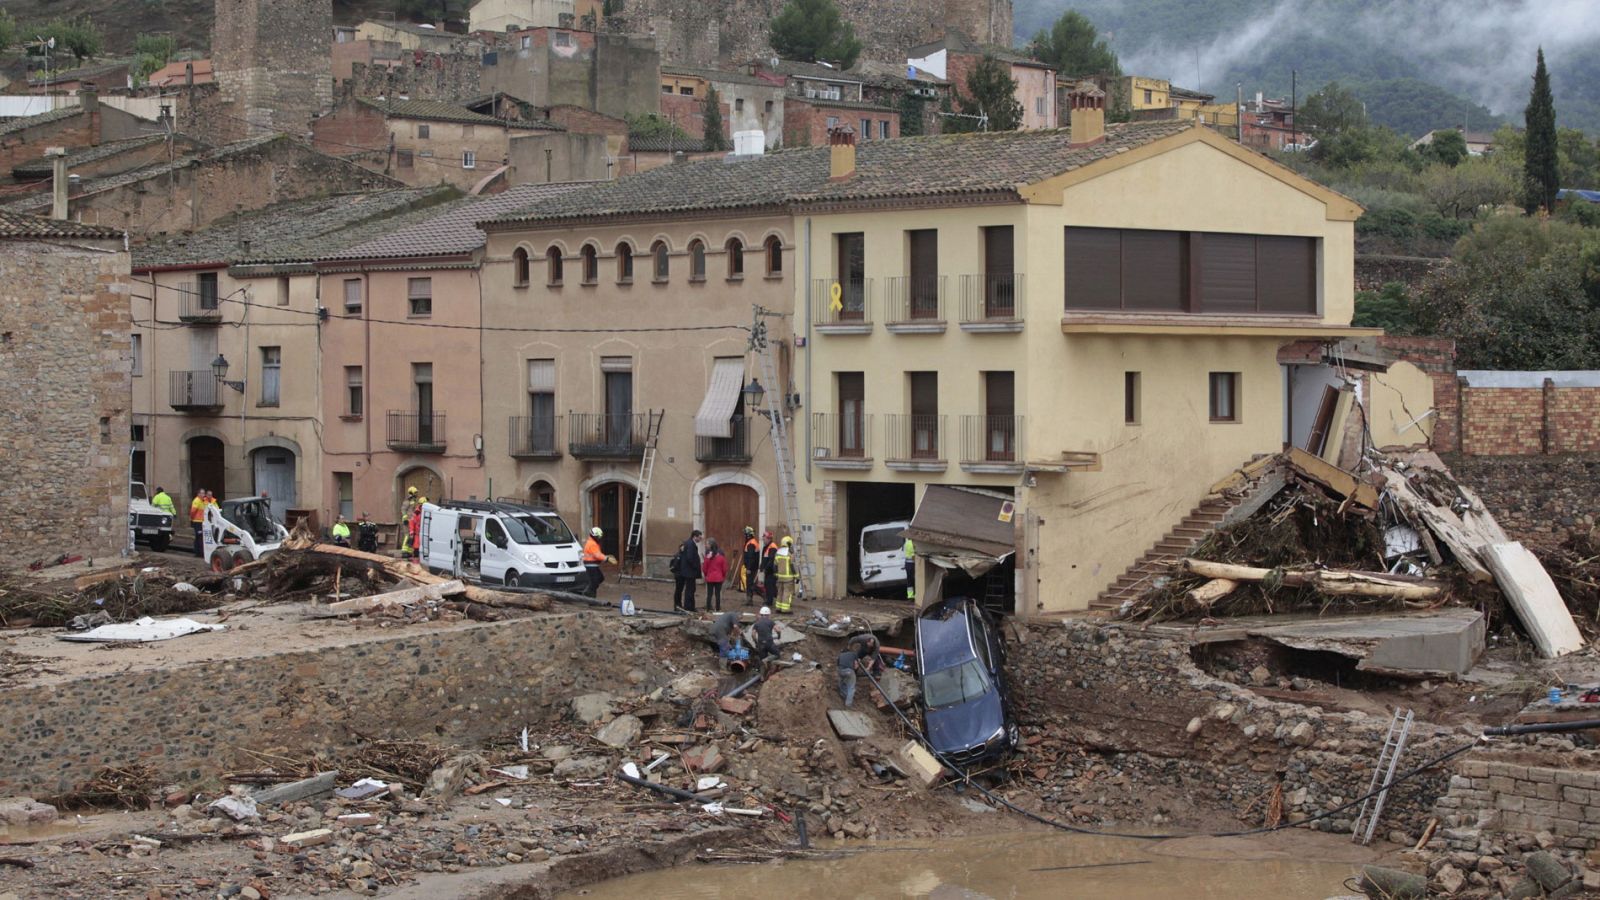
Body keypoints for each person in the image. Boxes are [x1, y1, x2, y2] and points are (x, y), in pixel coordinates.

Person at [672, 530, 703, 612]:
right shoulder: (690, 544)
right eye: (700, 537)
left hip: (685, 571)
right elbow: (690, 558)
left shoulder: (688, 544)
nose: (701, 539)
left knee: (687, 589)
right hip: (688, 572)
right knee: (689, 590)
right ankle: (688, 607)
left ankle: (685, 606)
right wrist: (695, 566)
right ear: (695, 536)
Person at [702, 539, 727, 612]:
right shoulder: (721, 558)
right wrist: (723, 576)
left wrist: (706, 575)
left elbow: (704, 568)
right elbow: (724, 569)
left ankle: (708, 608)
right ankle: (718, 609)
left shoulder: (707, 557)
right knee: (717, 594)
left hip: (710, 578)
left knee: (709, 594)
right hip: (719, 578)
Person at [774, 535, 797, 613]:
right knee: (787, 593)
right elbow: (792, 566)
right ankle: (785, 609)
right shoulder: (789, 554)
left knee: (780, 592)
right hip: (788, 578)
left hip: (780, 577)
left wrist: (776, 574)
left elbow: (775, 565)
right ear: (789, 543)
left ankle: (778, 607)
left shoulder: (778, 552)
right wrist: (796, 576)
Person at [582, 527, 606, 597]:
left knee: (599, 579)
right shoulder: (592, 544)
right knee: (594, 582)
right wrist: (606, 558)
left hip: (593, 565)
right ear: (594, 536)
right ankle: (588, 592)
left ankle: (591, 594)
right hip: (590, 565)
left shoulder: (592, 542)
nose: (600, 538)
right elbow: (597, 555)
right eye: (598, 537)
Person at [741, 526, 762, 606]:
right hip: (753, 567)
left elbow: (751, 557)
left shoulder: (751, 544)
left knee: (750, 584)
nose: (744, 535)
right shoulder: (752, 542)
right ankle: (749, 599)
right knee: (750, 583)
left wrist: (748, 568)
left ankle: (750, 599)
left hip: (751, 568)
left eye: (745, 534)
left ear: (748, 535)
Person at [761, 531, 779, 611]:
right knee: (768, 586)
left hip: (771, 571)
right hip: (768, 570)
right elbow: (765, 558)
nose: (763, 540)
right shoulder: (767, 546)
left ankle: (770, 601)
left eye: (764, 539)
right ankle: (771, 599)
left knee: (770, 586)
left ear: (768, 539)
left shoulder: (772, 547)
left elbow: (771, 560)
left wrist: (766, 568)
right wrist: (761, 566)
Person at [189, 490, 207, 557]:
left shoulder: (203, 501)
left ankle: (199, 552)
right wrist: (192, 519)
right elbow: (193, 511)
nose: (203, 494)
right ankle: (199, 552)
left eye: (204, 493)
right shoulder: (196, 501)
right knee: (199, 537)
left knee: (199, 537)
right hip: (197, 522)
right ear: (198, 494)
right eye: (202, 493)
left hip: (202, 522)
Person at [902, 534, 916, 602]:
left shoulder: (906, 543)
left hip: (907, 564)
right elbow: (914, 556)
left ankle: (910, 596)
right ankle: (916, 595)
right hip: (912, 564)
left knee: (909, 580)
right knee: (916, 579)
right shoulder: (912, 543)